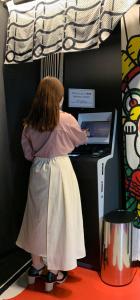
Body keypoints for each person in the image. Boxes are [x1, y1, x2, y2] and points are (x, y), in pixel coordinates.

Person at [16, 76, 88, 292]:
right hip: (60, 170)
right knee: (59, 220)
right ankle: (54, 272)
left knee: (36, 218)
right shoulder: (66, 119)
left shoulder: (29, 122)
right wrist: (85, 135)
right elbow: (79, 140)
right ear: (59, 97)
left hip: (38, 170)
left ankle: (36, 266)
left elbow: (28, 153)